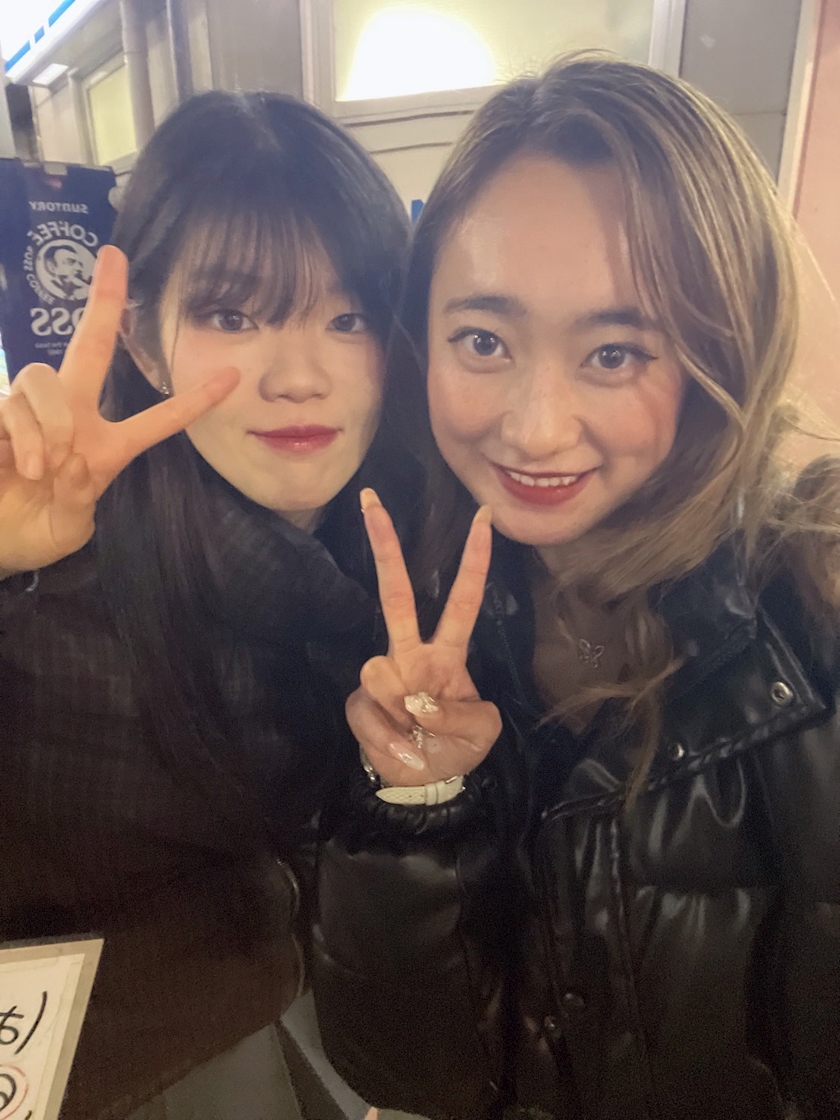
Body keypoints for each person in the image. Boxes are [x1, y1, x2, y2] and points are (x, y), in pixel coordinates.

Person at [312, 55, 840, 1120]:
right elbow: (417, 1076)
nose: (536, 428)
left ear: (722, 353)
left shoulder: (812, 597)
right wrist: (420, 801)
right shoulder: (421, 597)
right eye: (483, 340)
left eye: (615, 351)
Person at [0, 89, 410, 1120]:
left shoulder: (411, 547)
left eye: (348, 317)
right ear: (145, 346)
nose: (299, 377)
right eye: (233, 315)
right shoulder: (58, 585)